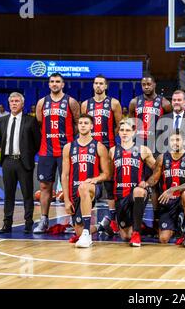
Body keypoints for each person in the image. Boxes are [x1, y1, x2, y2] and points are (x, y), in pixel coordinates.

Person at [33, 73, 80, 233]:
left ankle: (74, 220)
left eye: (57, 81)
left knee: (70, 185)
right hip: (46, 151)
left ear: (63, 84)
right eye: (52, 81)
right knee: (45, 186)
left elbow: (77, 124)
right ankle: (44, 220)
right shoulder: (41, 102)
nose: (54, 84)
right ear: (48, 84)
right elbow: (40, 123)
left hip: (66, 151)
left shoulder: (71, 102)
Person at [129, 75, 172, 233]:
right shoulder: (135, 102)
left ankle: (156, 219)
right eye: (143, 84)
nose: (146, 86)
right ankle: (136, 221)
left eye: (149, 84)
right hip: (139, 145)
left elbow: (170, 123)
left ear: (154, 84)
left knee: (155, 184)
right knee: (138, 181)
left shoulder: (164, 103)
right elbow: (132, 123)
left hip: (158, 145)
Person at [81, 75, 122, 235]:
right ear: (93, 86)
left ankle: (112, 220)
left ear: (105, 86)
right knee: (89, 181)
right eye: (96, 83)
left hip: (108, 146)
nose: (98, 86)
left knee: (109, 183)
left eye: (101, 84)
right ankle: (84, 219)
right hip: (90, 147)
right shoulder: (86, 104)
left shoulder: (113, 103)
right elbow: (83, 124)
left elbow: (119, 125)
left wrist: (110, 141)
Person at [61, 114, 110, 248]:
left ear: (92, 126)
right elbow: (64, 175)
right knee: (78, 230)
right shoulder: (68, 147)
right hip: (75, 190)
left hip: (94, 188)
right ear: (77, 126)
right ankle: (101, 226)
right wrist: (66, 200)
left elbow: (106, 174)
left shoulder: (99, 147)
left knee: (84, 187)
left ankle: (87, 234)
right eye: (80, 123)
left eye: (86, 123)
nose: (83, 125)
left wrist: (95, 179)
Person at [0, 92, 41, 234]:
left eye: (17, 101)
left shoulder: (30, 120)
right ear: (9, 104)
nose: (14, 103)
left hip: (24, 162)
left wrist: (27, 155)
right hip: (7, 161)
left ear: (22, 104)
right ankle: (7, 223)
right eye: (12, 101)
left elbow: (37, 142)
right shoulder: (2, 120)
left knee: (27, 194)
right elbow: (0, 140)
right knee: (8, 194)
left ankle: (28, 223)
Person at [145, 131, 185, 247]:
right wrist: (144, 184)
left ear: (184, 142)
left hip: (182, 201)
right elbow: (154, 178)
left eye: (178, 140)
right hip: (168, 203)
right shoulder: (162, 157)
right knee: (163, 239)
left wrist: (172, 190)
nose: (175, 143)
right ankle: (178, 228)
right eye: (172, 140)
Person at [108, 118, 156, 247]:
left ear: (133, 132)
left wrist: (148, 183)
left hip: (136, 193)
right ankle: (135, 227)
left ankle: (137, 233)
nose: (124, 133)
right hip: (120, 195)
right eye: (122, 130)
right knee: (125, 236)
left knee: (138, 190)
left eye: (128, 130)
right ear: (118, 133)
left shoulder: (143, 150)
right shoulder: (113, 151)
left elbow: (157, 169)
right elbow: (110, 176)